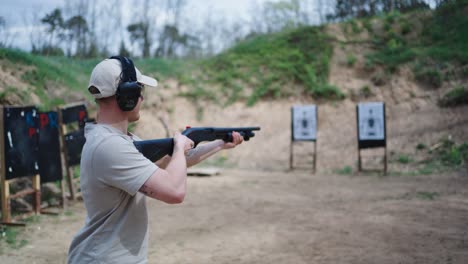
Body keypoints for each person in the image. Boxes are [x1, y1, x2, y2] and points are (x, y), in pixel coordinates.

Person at [67, 56, 244, 263]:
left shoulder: (119, 141)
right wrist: (179, 147)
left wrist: (220, 144)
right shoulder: (109, 146)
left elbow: (169, 166)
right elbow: (174, 191)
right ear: (128, 96)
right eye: (139, 91)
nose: (142, 98)